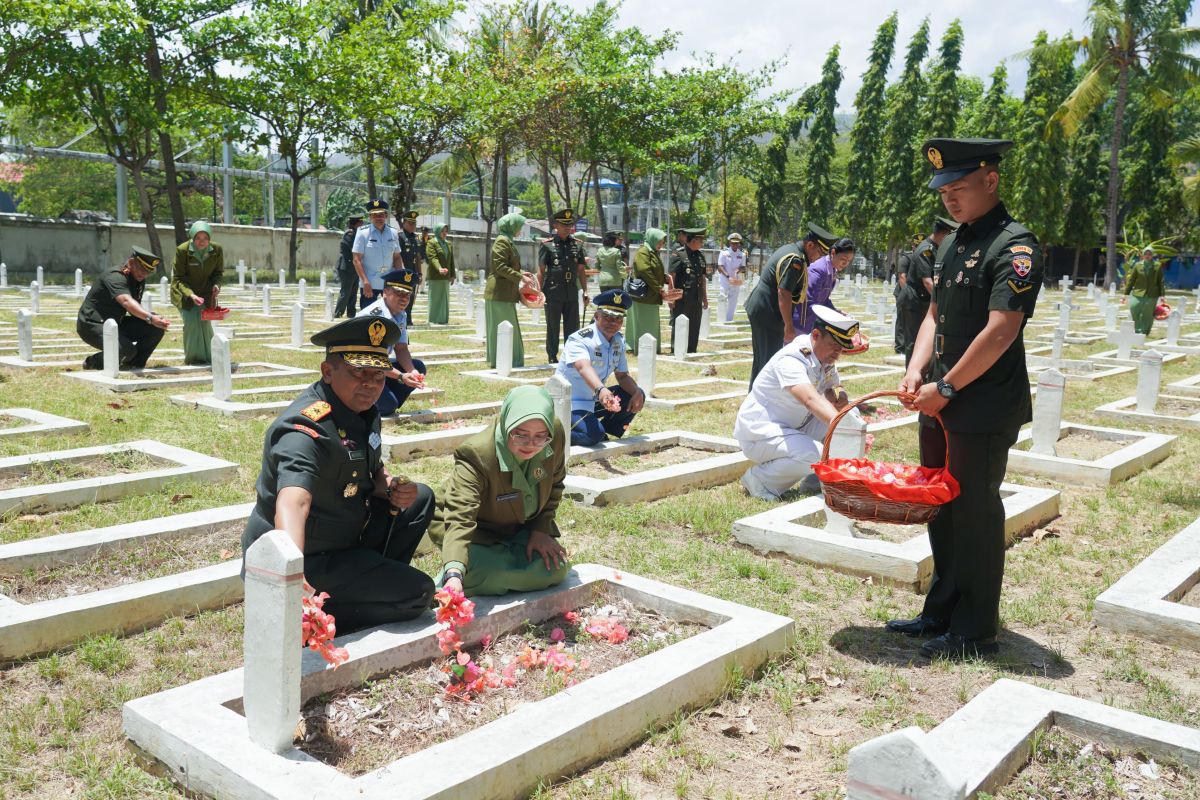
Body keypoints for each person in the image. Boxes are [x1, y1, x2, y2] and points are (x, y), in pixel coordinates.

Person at [887, 137, 1043, 660]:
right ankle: (941, 611)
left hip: (979, 404)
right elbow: (935, 314)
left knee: (974, 510)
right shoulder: (952, 243)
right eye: (943, 190)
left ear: (990, 181)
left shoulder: (1015, 246)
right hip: (937, 399)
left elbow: (1001, 330)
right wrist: (915, 370)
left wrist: (948, 385)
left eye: (958, 188)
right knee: (941, 504)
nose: (948, 198)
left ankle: (976, 628)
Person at [240, 316, 435, 633]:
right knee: (418, 594)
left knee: (420, 498)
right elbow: (295, 500)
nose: (370, 383)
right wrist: (291, 572)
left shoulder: (360, 409)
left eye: (378, 374)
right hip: (312, 555)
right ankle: (313, 615)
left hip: (344, 535)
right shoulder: (305, 427)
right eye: (359, 372)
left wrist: (389, 487)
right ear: (327, 372)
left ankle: (370, 580)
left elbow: (368, 467)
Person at [430, 386, 569, 597]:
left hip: (516, 526)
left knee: (556, 569)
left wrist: (541, 530)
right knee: (481, 570)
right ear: (506, 423)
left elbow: (556, 483)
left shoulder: (555, 433)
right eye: (520, 435)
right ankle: (454, 577)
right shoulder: (476, 454)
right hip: (474, 530)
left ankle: (495, 567)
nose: (531, 445)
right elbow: (460, 518)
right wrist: (455, 572)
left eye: (540, 437)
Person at [735, 306, 859, 500]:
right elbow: (809, 399)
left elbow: (835, 384)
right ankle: (759, 480)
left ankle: (814, 479)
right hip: (761, 431)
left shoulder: (823, 357)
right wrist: (846, 428)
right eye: (834, 346)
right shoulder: (792, 358)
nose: (837, 353)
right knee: (816, 453)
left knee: (853, 415)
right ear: (816, 335)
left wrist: (840, 396)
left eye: (842, 349)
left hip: (794, 425)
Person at [744, 223, 836, 386]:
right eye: (820, 252)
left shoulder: (792, 251)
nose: (819, 258)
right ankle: (759, 401)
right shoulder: (796, 260)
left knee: (763, 359)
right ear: (810, 245)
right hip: (768, 313)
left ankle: (756, 396)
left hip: (764, 310)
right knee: (768, 361)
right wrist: (789, 326)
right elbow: (784, 292)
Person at [555, 289, 645, 446]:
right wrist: (601, 390)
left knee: (635, 393)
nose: (613, 322)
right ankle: (552, 433)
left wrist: (637, 392)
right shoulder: (580, 339)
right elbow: (583, 367)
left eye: (618, 318)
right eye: (607, 317)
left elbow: (622, 376)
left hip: (594, 399)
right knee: (593, 435)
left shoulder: (618, 341)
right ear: (596, 316)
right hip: (569, 403)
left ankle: (603, 431)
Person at [77, 246, 170, 370]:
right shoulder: (116, 276)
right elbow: (126, 301)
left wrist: (153, 318)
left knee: (155, 329)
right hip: (92, 324)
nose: (144, 274)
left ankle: (133, 363)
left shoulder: (137, 279)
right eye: (141, 269)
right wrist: (150, 317)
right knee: (127, 350)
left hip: (116, 322)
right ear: (131, 262)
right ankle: (93, 362)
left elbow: (135, 306)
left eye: (148, 271)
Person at [357, 268, 427, 416]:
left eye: (407, 294)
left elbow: (401, 348)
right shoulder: (374, 317)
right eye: (399, 293)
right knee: (388, 405)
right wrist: (401, 376)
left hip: (376, 368)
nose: (404, 299)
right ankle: (367, 402)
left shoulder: (400, 315)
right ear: (385, 292)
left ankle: (383, 400)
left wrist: (411, 372)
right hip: (358, 371)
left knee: (418, 367)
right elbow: (372, 360)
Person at [895, 218, 957, 364]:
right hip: (913, 300)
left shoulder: (935, 248)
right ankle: (911, 375)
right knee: (914, 340)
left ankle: (924, 373)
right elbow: (928, 282)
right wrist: (943, 301)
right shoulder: (925, 251)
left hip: (922, 299)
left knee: (926, 338)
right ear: (944, 234)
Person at [539, 208, 589, 363]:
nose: (568, 227)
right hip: (553, 291)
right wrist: (538, 293)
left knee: (572, 327)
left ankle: (570, 355)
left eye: (570, 224)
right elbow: (541, 271)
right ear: (556, 225)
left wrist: (585, 291)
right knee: (552, 326)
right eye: (564, 224)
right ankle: (552, 355)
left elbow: (581, 270)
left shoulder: (578, 245)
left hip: (571, 292)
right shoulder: (547, 245)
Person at [170, 220, 224, 365]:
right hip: (183, 293)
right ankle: (193, 358)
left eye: (205, 238)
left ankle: (209, 357)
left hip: (205, 292)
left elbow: (218, 273)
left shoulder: (216, 250)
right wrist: (191, 295)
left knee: (205, 324)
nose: (202, 242)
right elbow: (178, 278)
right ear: (192, 237)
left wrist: (217, 286)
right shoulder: (183, 250)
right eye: (198, 238)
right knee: (191, 322)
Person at [485, 212, 535, 368]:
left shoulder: (508, 241)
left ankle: (510, 359)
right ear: (511, 226)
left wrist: (521, 273)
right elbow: (500, 267)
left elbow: (507, 265)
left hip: (506, 293)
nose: (520, 229)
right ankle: (503, 360)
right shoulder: (502, 241)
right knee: (502, 328)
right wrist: (520, 278)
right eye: (519, 226)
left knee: (508, 327)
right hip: (499, 293)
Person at [794, 237, 855, 335]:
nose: (845, 264)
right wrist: (831, 317)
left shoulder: (832, 271)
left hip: (811, 324)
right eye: (843, 259)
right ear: (833, 253)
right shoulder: (818, 270)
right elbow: (809, 302)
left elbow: (824, 300)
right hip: (801, 324)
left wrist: (836, 312)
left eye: (849, 261)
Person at [352, 198, 402, 309]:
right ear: (370, 217)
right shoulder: (362, 233)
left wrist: (400, 278)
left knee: (391, 314)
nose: (378, 218)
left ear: (386, 216)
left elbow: (397, 257)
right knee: (368, 317)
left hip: (389, 282)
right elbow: (357, 260)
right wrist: (365, 281)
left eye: (381, 215)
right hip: (370, 282)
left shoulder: (393, 233)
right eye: (374, 215)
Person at [626, 228, 668, 356]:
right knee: (641, 322)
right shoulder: (643, 252)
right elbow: (645, 271)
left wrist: (665, 279)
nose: (661, 245)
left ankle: (651, 347)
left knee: (651, 322)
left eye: (662, 243)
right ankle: (638, 346)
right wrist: (658, 288)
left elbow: (656, 271)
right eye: (659, 242)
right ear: (652, 239)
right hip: (643, 296)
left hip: (651, 295)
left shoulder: (653, 252)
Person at [669, 227, 708, 354]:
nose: (702, 243)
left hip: (696, 296)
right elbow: (672, 277)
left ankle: (691, 349)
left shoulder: (700, 256)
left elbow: (702, 278)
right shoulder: (679, 254)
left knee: (695, 325)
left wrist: (705, 298)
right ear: (692, 240)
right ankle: (677, 349)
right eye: (700, 240)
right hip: (682, 297)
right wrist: (671, 298)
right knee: (680, 323)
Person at [1124, 247, 1165, 335]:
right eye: (1145, 254)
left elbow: (1160, 281)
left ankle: (1145, 331)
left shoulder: (1157, 266)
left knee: (1148, 313)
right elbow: (1132, 280)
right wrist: (1125, 294)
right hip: (1138, 292)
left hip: (1152, 294)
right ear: (1143, 255)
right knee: (1134, 308)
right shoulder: (1137, 265)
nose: (1147, 256)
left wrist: (1162, 295)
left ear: (1152, 255)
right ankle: (1137, 329)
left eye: (1149, 254)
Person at [424, 222, 455, 325]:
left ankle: (443, 319)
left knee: (444, 298)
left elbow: (451, 261)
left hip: (446, 276)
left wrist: (452, 275)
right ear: (437, 231)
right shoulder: (431, 243)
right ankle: (434, 319)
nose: (445, 233)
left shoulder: (448, 243)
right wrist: (439, 268)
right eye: (442, 231)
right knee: (436, 298)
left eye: (446, 231)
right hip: (435, 276)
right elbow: (433, 258)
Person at [335, 215, 363, 318]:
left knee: (353, 292)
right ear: (356, 223)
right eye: (361, 222)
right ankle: (338, 312)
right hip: (346, 267)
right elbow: (355, 250)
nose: (362, 224)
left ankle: (351, 313)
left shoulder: (357, 234)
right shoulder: (350, 234)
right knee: (346, 291)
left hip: (354, 267)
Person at [398, 210, 424, 321]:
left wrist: (420, 273)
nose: (413, 226)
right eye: (410, 223)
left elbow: (418, 257)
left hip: (413, 272)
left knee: (411, 295)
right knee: (401, 295)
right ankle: (400, 317)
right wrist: (402, 269)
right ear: (404, 223)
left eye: (414, 223)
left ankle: (408, 317)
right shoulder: (400, 236)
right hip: (402, 272)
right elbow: (397, 255)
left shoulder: (416, 238)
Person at [717, 233, 747, 323]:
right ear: (730, 242)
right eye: (733, 243)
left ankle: (729, 319)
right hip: (725, 281)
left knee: (733, 301)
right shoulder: (724, 253)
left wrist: (739, 269)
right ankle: (721, 318)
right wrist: (727, 276)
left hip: (736, 281)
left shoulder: (742, 255)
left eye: (737, 243)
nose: (735, 245)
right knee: (723, 297)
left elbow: (743, 267)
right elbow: (720, 266)